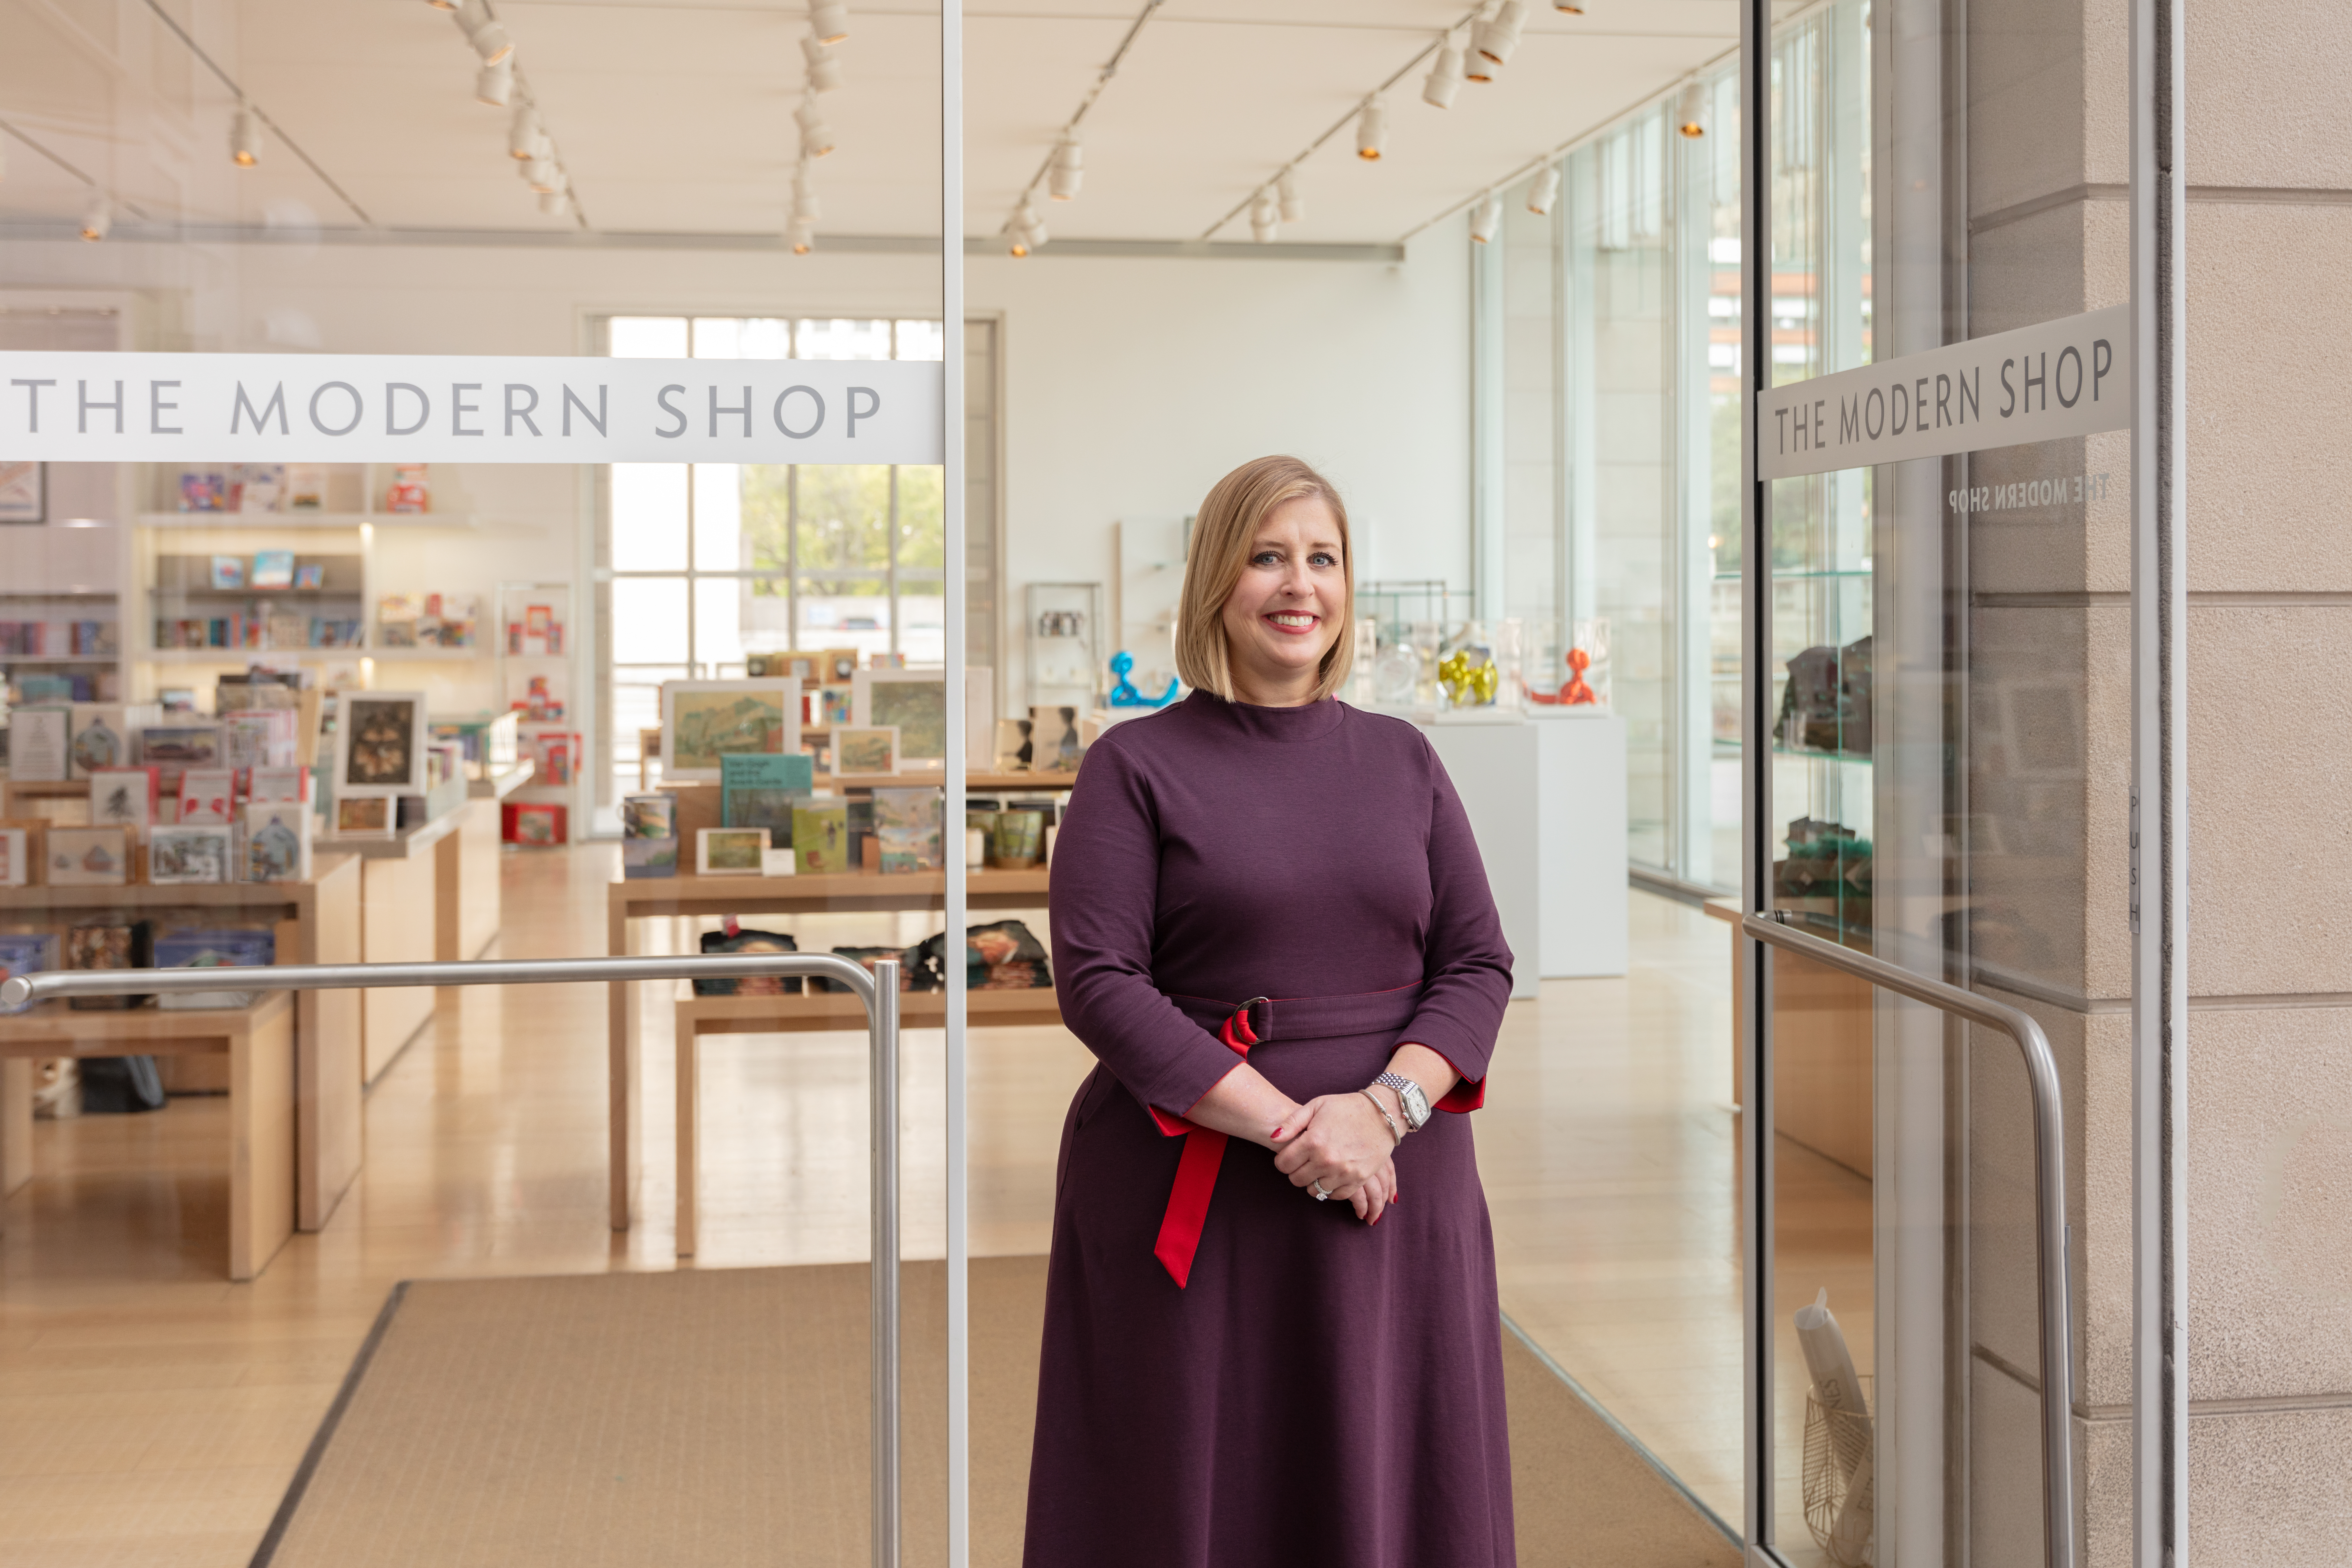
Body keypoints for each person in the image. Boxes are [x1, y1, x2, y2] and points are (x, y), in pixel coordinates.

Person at [1026, 455, 1517, 1566]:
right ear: (1215, 580)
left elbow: (1479, 958)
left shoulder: (1406, 758)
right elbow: (1099, 979)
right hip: (1198, 1186)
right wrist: (1302, 1129)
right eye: (1268, 555)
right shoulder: (1131, 764)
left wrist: (1381, 1111)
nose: (1300, 584)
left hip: (1396, 1180)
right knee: (1195, 1482)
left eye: (1323, 557)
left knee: (1397, 1468)